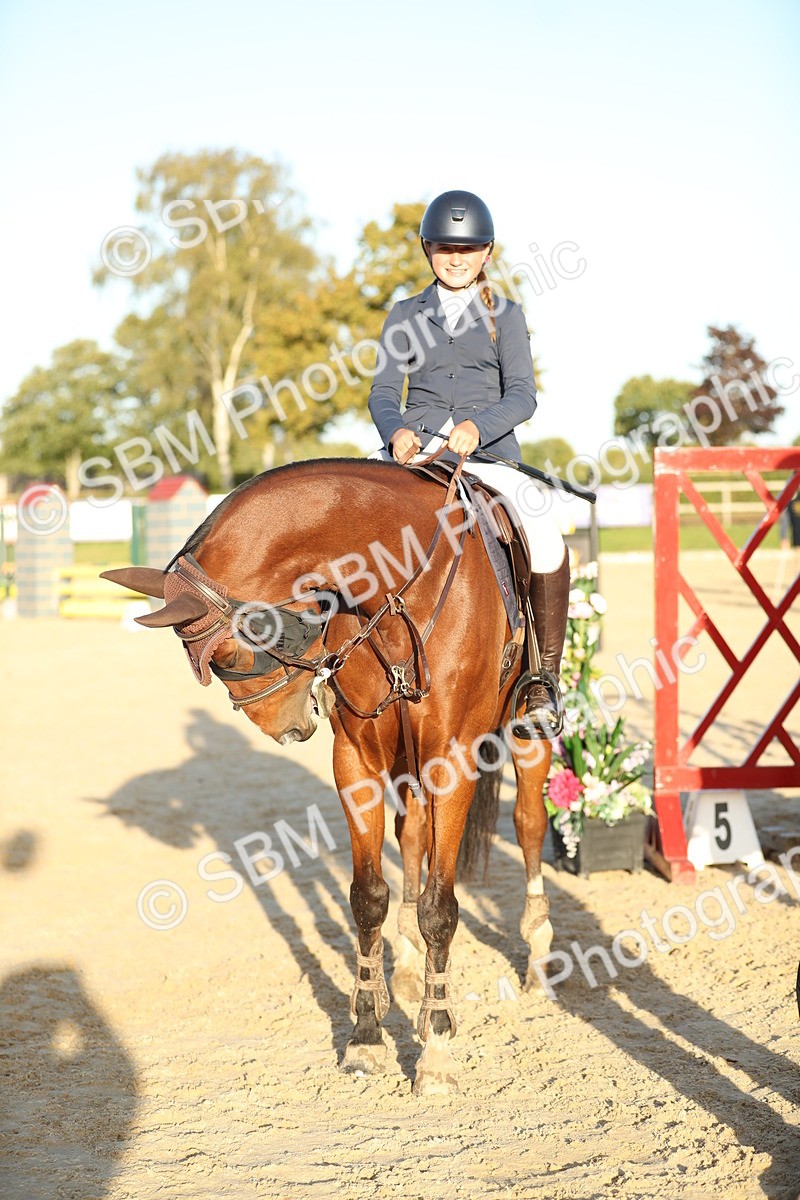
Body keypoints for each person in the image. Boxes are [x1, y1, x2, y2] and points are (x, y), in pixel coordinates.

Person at [368, 189, 570, 738]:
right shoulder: (404, 314)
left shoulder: (506, 315)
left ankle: (542, 683)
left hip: (490, 453)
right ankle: (334, 658)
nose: (456, 259)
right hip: (419, 448)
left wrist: (480, 425)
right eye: (443, 248)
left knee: (546, 535)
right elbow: (384, 391)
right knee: (352, 514)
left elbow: (524, 395)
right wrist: (397, 431)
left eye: (468, 248)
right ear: (428, 251)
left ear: (487, 252)